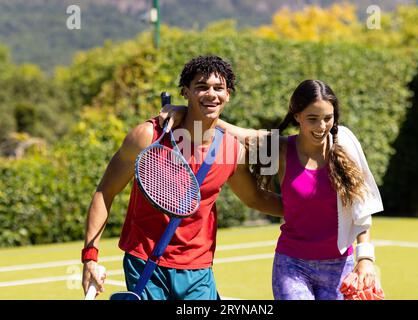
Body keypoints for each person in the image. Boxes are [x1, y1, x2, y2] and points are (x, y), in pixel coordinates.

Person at [81, 55, 283, 300]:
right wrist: (90, 257)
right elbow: (105, 191)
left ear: (228, 94)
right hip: (146, 264)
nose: (211, 94)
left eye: (218, 88)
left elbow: (255, 198)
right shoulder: (148, 136)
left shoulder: (232, 150)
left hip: (198, 271)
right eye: (201, 87)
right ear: (185, 92)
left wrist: (313, 210)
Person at [161, 79, 384, 300]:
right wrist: (188, 112)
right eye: (312, 119)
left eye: (328, 118)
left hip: (340, 267)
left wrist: (365, 258)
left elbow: (359, 206)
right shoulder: (280, 149)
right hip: (292, 266)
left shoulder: (345, 144)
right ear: (297, 116)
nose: (322, 126)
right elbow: (235, 132)